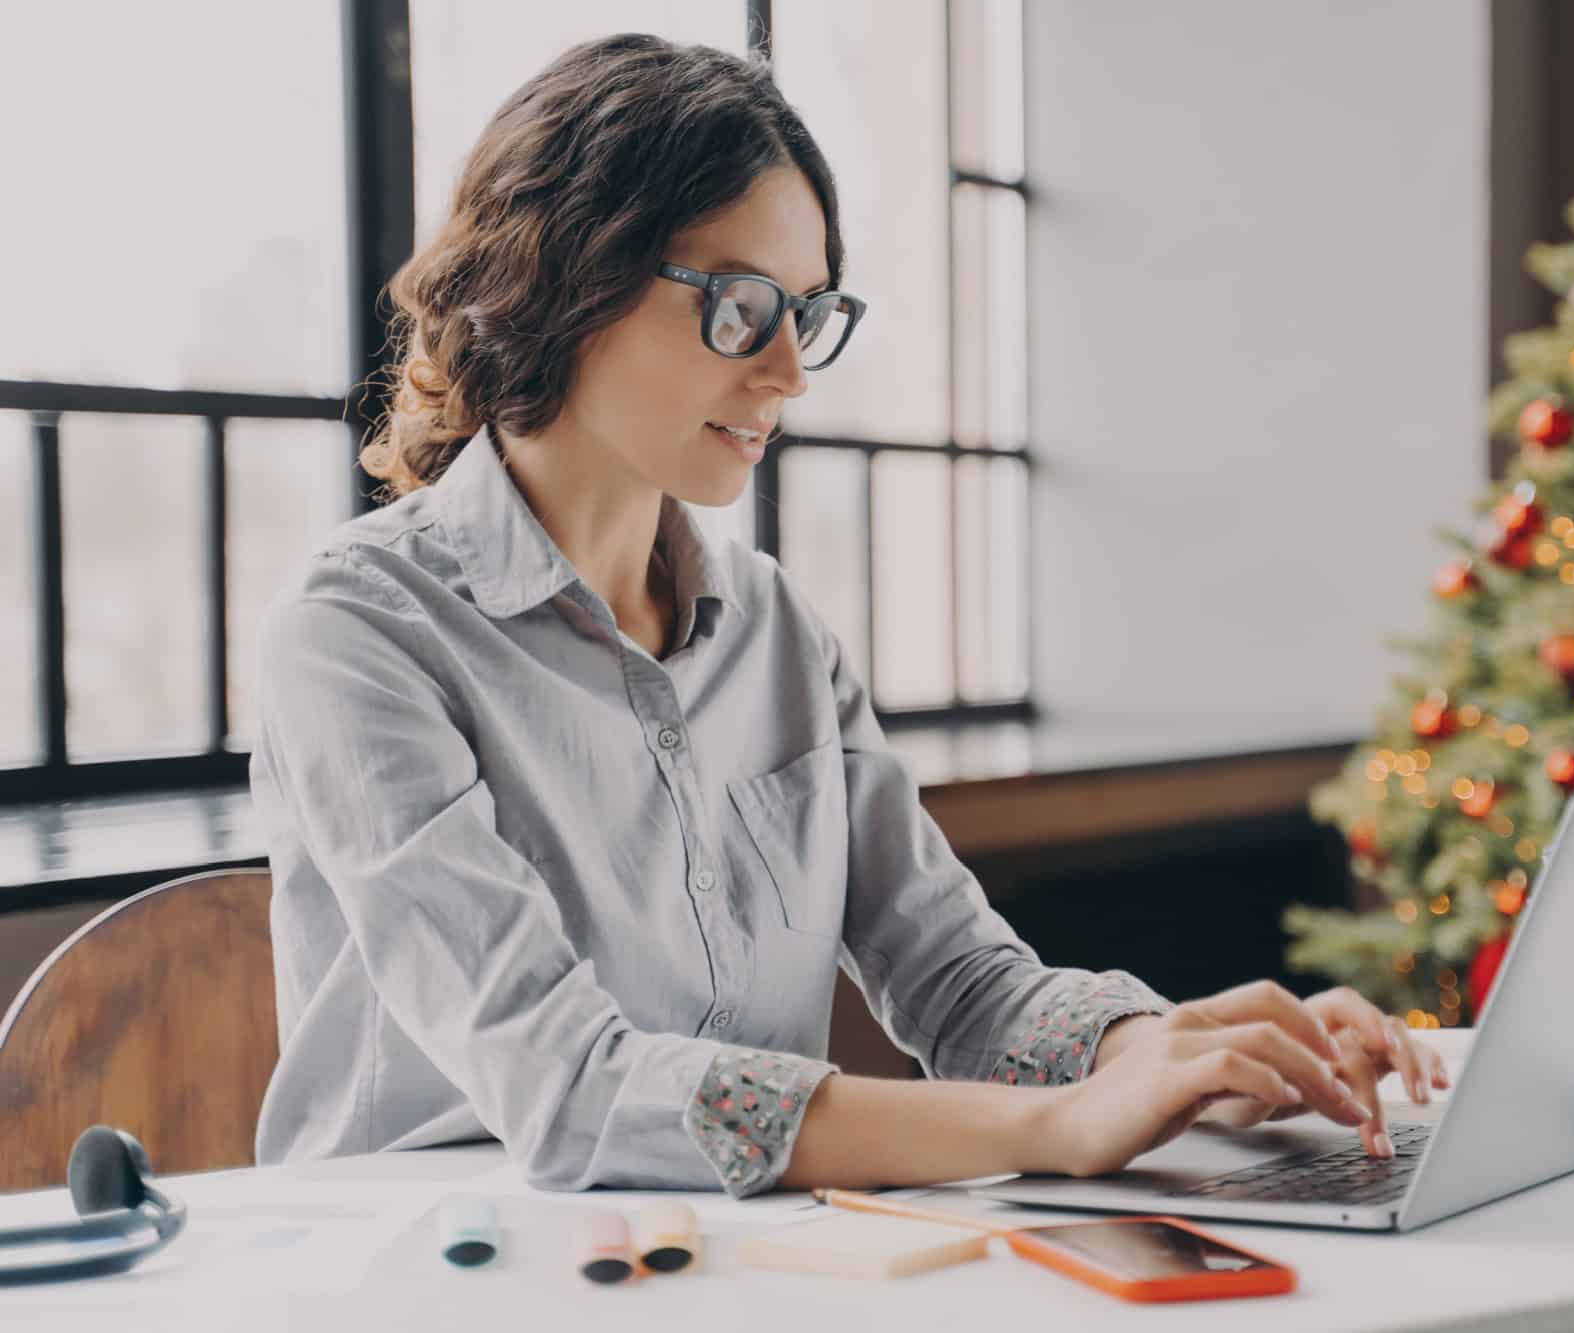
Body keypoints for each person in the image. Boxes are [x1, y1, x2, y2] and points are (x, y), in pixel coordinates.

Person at [250, 34, 1446, 1200]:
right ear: (565, 276)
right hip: (426, 1267)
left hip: (724, 1270)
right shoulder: (359, 634)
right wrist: (1055, 1123)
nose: (788, 373)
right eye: (737, 305)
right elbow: (571, 1089)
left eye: (807, 313)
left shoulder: (776, 631)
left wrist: (1170, 1061)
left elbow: (962, 985)